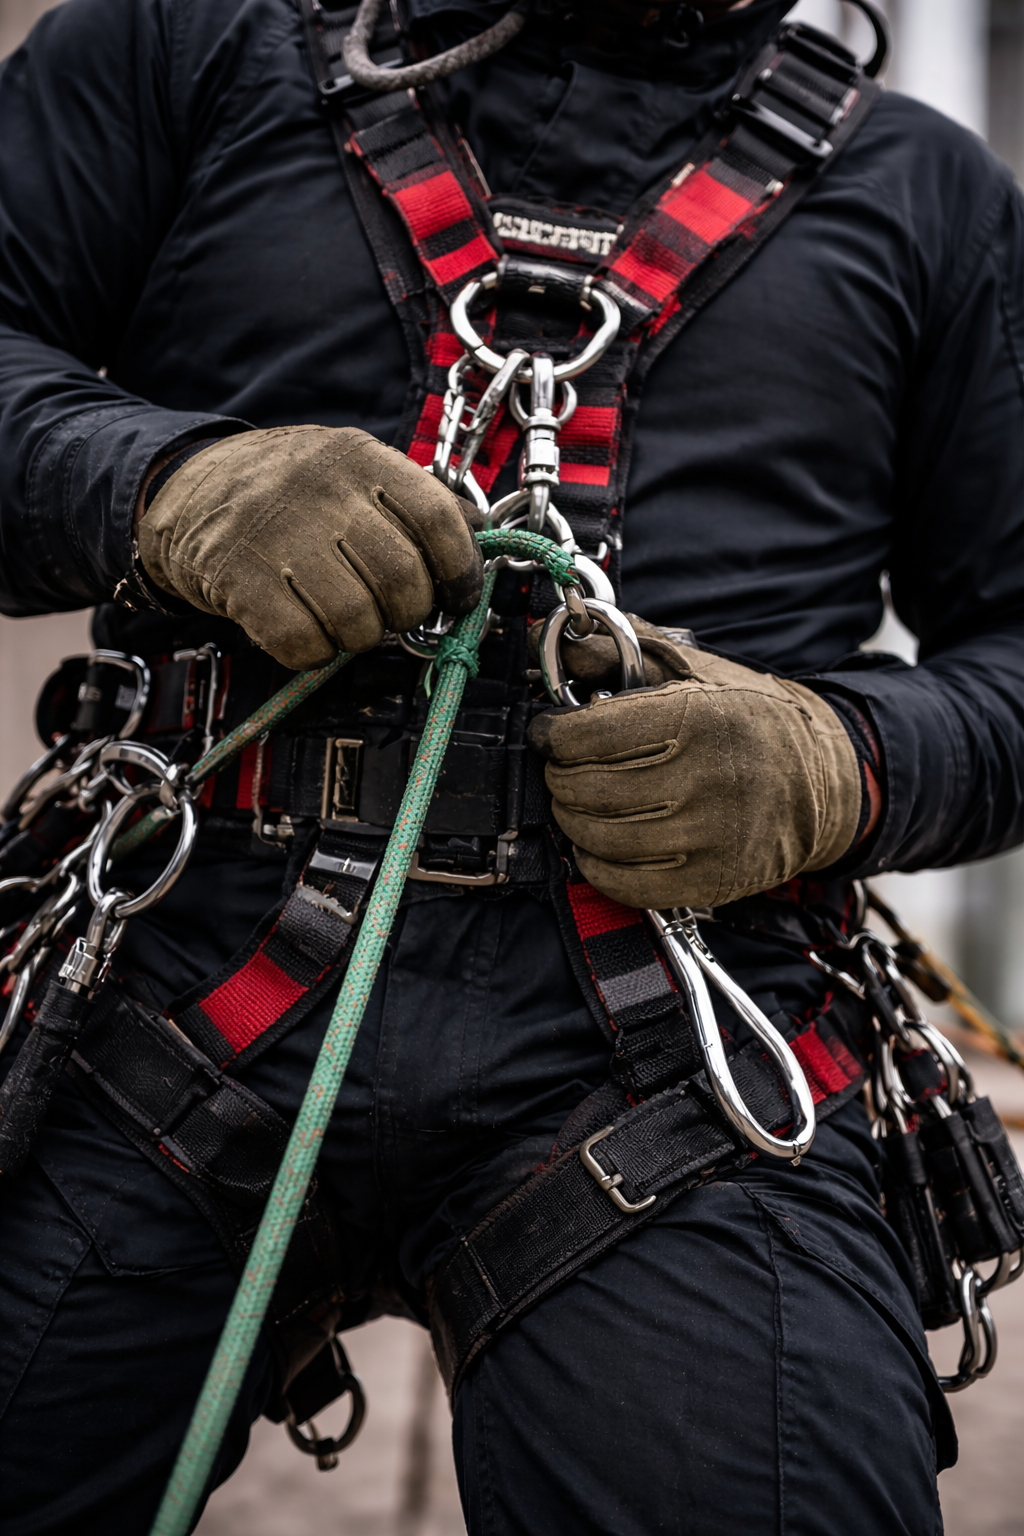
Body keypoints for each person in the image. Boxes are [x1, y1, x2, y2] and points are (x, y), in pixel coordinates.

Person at [0, 0, 1021, 1529]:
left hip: (687, 1052)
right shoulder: (181, 53)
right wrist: (170, 483)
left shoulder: (932, 199)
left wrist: (834, 761)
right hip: (159, 980)